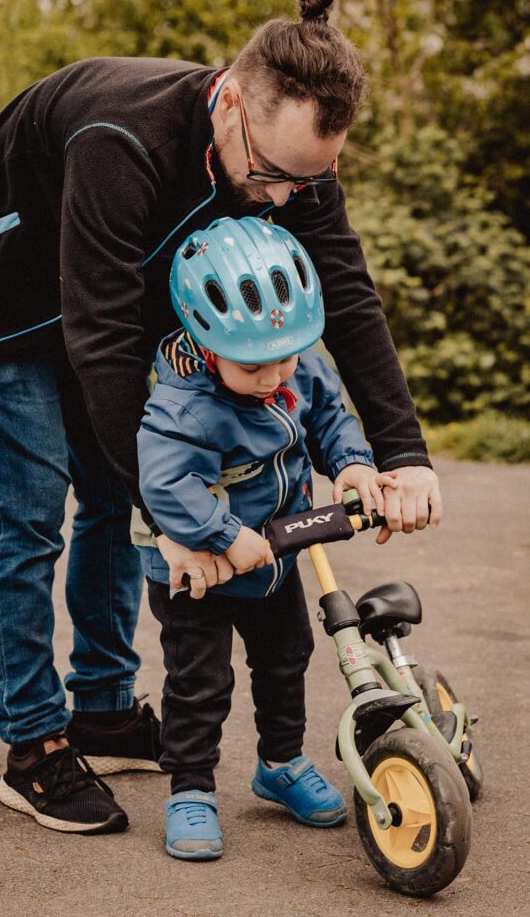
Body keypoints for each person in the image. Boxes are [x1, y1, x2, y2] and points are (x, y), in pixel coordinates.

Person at [0, 0, 441, 835]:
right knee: (24, 518)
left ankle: (104, 712)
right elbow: (104, 340)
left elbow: (348, 298)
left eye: (311, 178)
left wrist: (402, 454)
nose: (284, 199)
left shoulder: (289, 160)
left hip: (91, 306)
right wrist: (180, 520)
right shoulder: (122, 138)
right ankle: (33, 748)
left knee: (112, 498)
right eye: (270, 177)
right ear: (228, 101)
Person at [134, 217, 397, 860]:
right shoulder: (183, 405)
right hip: (202, 568)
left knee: (287, 660)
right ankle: (190, 788)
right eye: (255, 364)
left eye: (288, 355)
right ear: (204, 339)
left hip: (277, 557)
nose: (277, 373)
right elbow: (164, 485)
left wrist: (354, 462)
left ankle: (279, 764)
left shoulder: (293, 363)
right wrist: (224, 535)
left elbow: (330, 412)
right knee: (201, 680)